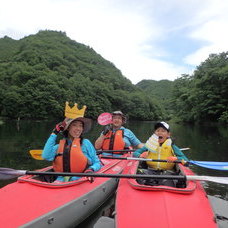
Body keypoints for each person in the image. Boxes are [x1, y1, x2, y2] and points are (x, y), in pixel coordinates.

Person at [42, 117, 102, 182]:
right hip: (60, 180)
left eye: (80, 126)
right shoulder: (59, 146)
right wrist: (54, 133)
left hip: (81, 179)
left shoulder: (85, 143)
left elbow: (97, 162)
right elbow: (46, 156)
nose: (78, 129)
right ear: (68, 128)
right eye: (74, 125)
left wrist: (91, 169)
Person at [133, 121, 189, 186]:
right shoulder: (149, 145)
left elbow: (185, 159)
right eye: (157, 130)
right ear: (154, 133)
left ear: (168, 134)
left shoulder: (172, 146)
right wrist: (140, 155)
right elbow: (135, 153)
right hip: (151, 171)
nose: (159, 132)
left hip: (167, 173)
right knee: (139, 173)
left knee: (168, 182)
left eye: (163, 131)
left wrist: (176, 158)